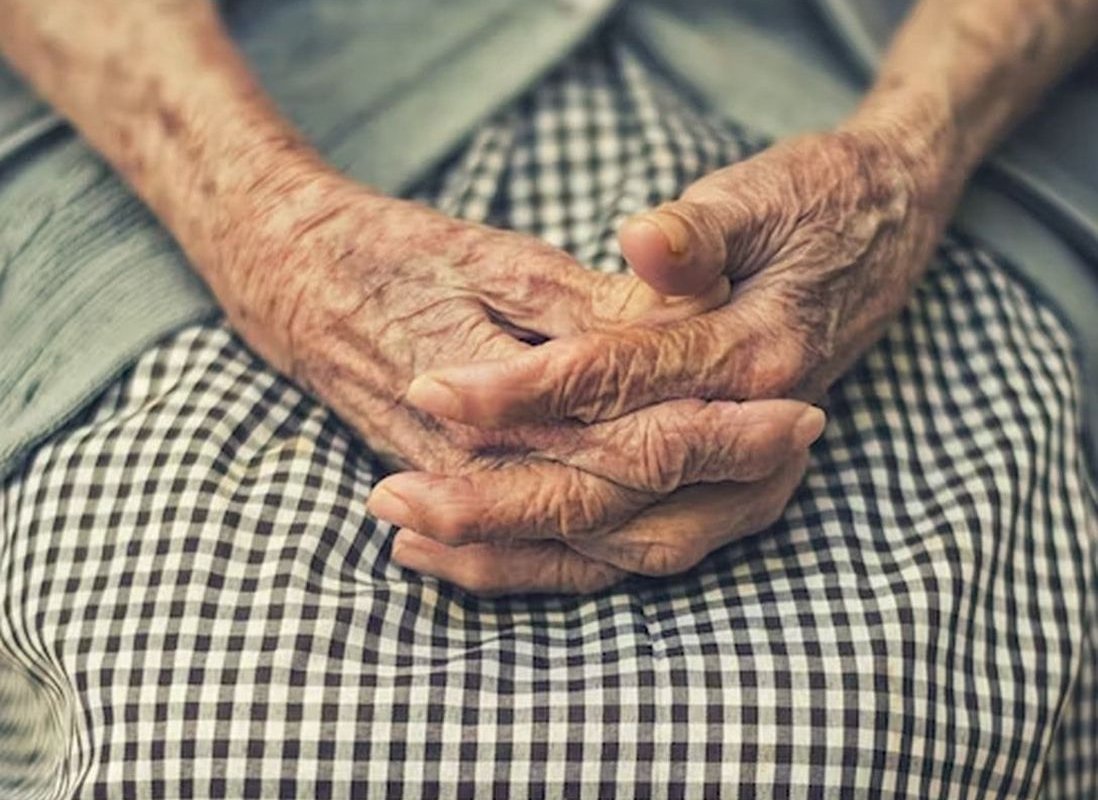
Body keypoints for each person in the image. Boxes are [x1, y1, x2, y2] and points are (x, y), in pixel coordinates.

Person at [0, 0, 1094, 796]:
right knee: (209, 736)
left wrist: (904, 161)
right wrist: (267, 225)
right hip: (219, 121)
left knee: (868, 730)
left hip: (879, 96)